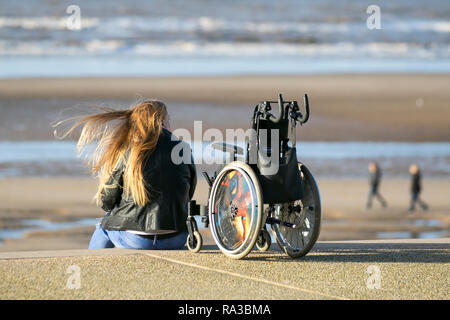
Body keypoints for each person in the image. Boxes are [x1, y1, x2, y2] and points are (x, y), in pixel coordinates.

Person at [56, 100, 196, 249]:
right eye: (168, 120)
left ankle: (92, 264)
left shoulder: (129, 149)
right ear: (162, 121)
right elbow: (189, 192)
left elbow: (106, 201)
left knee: (103, 226)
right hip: (176, 238)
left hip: (135, 239)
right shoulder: (183, 148)